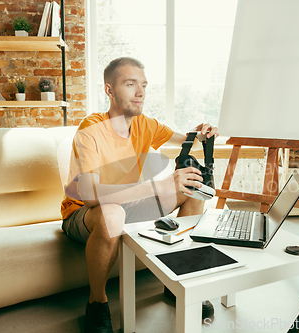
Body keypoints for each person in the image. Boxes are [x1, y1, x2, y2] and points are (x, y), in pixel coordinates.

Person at [61, 57, 218, 333]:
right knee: (112, 212)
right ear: (109, 90)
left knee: (192, 190)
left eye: (143, 85)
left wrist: (201, 134)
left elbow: (184, 138)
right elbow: (90, 197)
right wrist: (158, 186)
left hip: (127, 207)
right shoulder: (91, 129)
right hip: (84, 214)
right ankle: (97, 304)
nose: (141, 92)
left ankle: (175, 282)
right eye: (130, 84)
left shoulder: (145, 124)